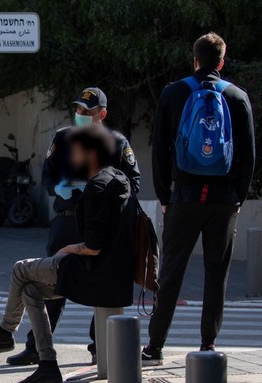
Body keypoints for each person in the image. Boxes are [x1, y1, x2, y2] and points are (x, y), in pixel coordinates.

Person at [0, 124, 137, 383]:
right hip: (107, 268)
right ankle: (47, 364)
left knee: (21, 268)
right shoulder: (115, 180)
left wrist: (68, 250)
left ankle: (5, 331)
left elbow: (93, 245)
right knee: (31, 291)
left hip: (93, 269)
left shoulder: (97, 189)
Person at [6, 87, 141, 367]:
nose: (80, 115)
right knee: (51, 282)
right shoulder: (63, 138)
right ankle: (36, 346)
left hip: (100, 224)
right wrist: (58, 188)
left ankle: (99, 346)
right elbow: (46, 176)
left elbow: (133, 182)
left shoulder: (116, 142)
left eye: (87, 111)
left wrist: (101, 190)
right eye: (78, 109)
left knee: (102, 287)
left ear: (101, 114)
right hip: (66, 220)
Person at [143, 32, 255, 365]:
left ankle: (155, 345)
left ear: (195, 60)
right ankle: (208, 344)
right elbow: (248, 155)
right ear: (221, 62)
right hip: (223, 200)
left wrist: (165, 196)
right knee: (216, 271)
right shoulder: (237, 97)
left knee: (172, 270)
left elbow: (160, 149)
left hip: (184, 196)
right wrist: (238, 198)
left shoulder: (174, 93)